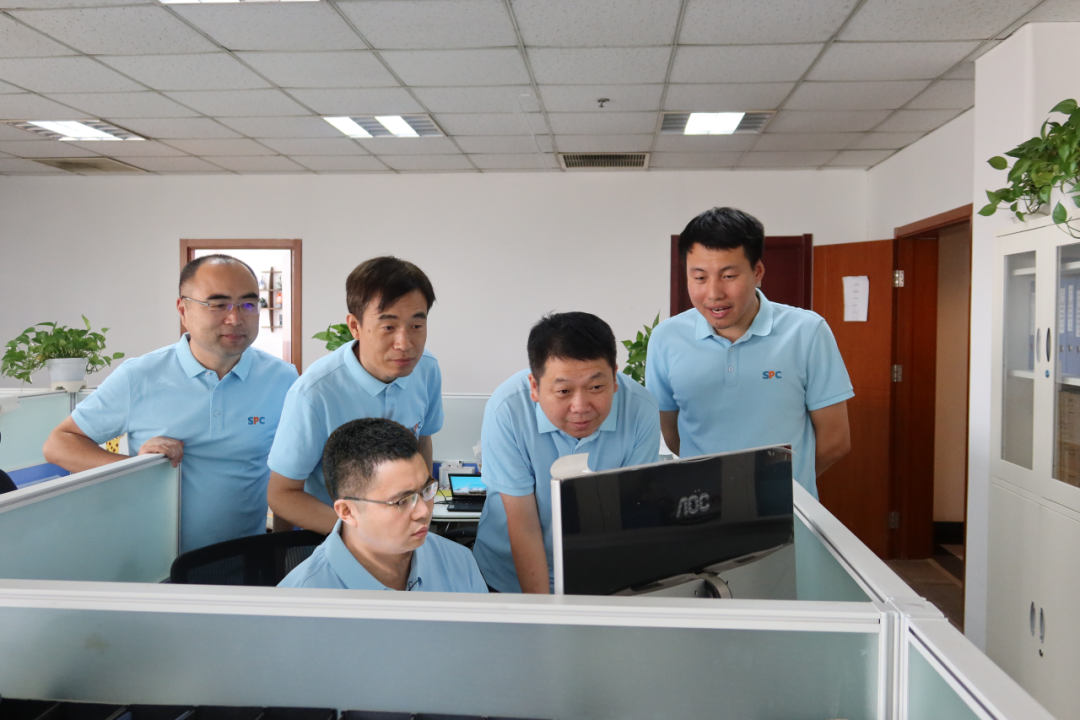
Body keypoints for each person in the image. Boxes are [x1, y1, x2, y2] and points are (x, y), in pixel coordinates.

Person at [43, 254, 299, 552]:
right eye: (218, 305)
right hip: (153, 561)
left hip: (245, 558)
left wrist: (283, 552)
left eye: (248, 304)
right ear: (183, 310)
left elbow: (291, 471)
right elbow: (59, 443)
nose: (235, 318)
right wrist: (135, 468)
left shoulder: (282, 378)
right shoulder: (140, 376)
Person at [645, 207, 853, 498]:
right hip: (703, 507)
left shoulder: (807, 332)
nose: (714, 293)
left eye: (729, 275)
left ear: (757, 272)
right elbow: (671, 433)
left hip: (786, 510)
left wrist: (783, 487)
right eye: (700, 277)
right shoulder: (666, 338)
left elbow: (835, 441)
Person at [472, 312, 661, 594]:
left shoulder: (640, 409)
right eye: (563, 391)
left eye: (596, 387)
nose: (581, 406)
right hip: (507, 577)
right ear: (535, 387)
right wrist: (544, 613)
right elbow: (524, 526)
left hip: (596, 574)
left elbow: (629, 513)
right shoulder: (507, 409)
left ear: (615, 377)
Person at [267, 256, 443, 535]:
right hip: (329, 538)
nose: (405, 343)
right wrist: (362, 534)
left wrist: (422, 505)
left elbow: (422, 442)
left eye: (416, 326)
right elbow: (282, 494)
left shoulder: (426, 369)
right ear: (355, 326)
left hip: (400, 536)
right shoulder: (314, 393)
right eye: (388, 327)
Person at [278, 418, 487, 593]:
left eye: (426, 490)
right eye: (402, 501)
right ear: (348, 511)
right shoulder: (301, 597)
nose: (423, 511)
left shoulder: (459, 562)